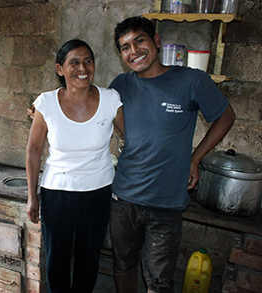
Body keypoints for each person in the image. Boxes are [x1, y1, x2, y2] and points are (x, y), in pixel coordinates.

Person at [108, 16, 235, 293]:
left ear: (156, 41)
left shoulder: (191, 80)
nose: (133, 51)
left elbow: (225, 116)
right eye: (125, 47)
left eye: (139, 40)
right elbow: (92, 108)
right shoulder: (121, 85)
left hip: (165, 204)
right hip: (123, 198)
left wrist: (195, 158)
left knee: (159, 280)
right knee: (122, 265)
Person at [26, 39, 123, 292]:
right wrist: (31, 196)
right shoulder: (46, 103)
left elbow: (132, 138)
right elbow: (34, 150)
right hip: (57, 192)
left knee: (88, 258)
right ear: (60, 69)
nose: (83, 67)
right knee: (57, 258)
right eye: (75, 62)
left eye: (88, 61)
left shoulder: (111, 99)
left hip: (98, 191)